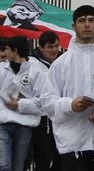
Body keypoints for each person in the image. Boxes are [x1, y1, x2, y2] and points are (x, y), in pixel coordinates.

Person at [39, 5, 94, 170]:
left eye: (91, 20)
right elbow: (47, 101)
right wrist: (70, 105)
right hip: (71, 143)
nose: (86, 25)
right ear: (73, 26)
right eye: (81, 21)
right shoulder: (61, 64)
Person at [0, 36, 46, 171]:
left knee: (18, 166)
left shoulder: (36, 71)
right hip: (3, 125)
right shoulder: (2, 69)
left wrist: (19, 104)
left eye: (7, 49)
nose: (5, 52)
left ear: (15, 50)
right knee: (4, 165)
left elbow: (42, 103)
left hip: (24, 126)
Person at [30, 31, 62, 171]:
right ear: (41, 47)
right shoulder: (31, 63)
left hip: (60, 117)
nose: (54, 50)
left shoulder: (63, 62)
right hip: (41, 120)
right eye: (50, 46)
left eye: (56, 46)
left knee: (61, 157)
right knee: (42, 157)